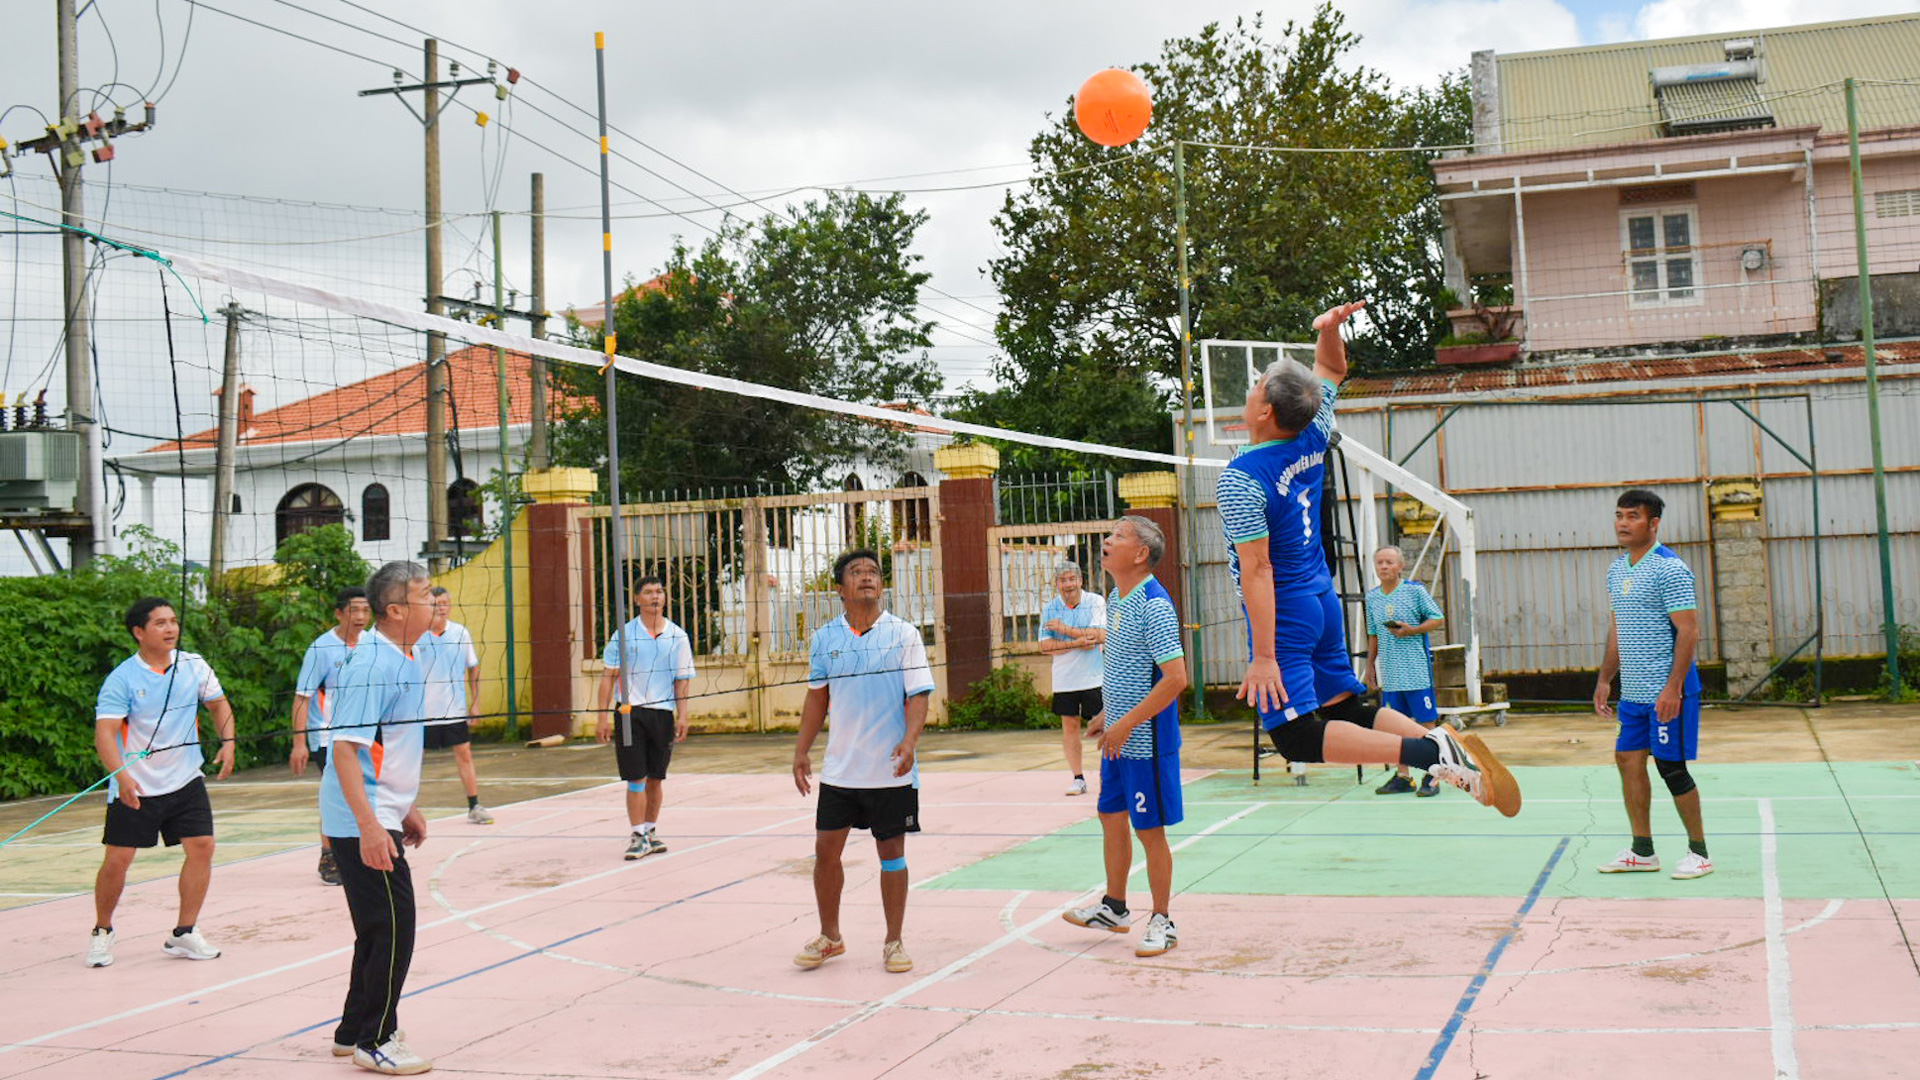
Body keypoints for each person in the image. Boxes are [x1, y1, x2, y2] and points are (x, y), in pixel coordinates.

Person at [1215, 300, 1519, 816]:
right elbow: (1332, 368)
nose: (1248, 392)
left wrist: (1263, 656)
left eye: (1254, 388)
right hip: (1322, 598)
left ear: (1266, 411)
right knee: (1347, 708)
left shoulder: (1243, 478)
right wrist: (1330, 330)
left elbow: (1258, 568)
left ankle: (1428, 751)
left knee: (1294, 737)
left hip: (1285, 609)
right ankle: (1445, 751)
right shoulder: (1313, 428)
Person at [791, 549, 934, 975]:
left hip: (890, 770)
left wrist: (909, 741)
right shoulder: (825, 638)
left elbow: (919, 695)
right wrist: (801, 750)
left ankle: (894, 941)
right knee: (825, 853)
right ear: (841, 588)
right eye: (857, 572)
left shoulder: (904, 634)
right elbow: (818, 698)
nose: (867, 578)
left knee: (891, 853)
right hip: (841, 770)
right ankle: (830, 937)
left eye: (873, 572)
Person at [321, 561, 435, 1075]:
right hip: (358, 819)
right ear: (396, 609)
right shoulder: (372, 665)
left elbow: (382, 744)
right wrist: (370, 825)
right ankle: (378, 1038)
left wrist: (402, 805)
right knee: (394, 927)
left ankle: (352, 1032)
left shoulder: (403, 654)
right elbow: (344, 750)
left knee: (376, 928)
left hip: (379, 810)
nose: (435, 602)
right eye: (426, 595)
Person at [1062, 517, 1188, 958]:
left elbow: (1175, 679)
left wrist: (1127, 722)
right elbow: (1126, 672)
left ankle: (1162, 920)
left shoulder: (1154, 605)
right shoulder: (1118, 597)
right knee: (1110, 817)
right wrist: (1104, 715)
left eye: (1117, 536)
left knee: (1149, 830)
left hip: (1146, 740)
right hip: (1118, 734)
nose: (1106, 540)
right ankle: (1114, 907)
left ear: (1139, 554)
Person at [86, 597, 236, 969]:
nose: (171, 629)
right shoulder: (122, 678)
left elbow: (219, 704)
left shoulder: (193, 665)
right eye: (160, 623)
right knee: (118, 861)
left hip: (185, 778)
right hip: (136, 783)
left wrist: (228, 742)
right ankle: (102, 931)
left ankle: (184, 932)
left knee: (202, 846)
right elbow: (104, 733)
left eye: (173, 622)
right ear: (139, 632)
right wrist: (121, 776)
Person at [1593, 489, 1712, 880]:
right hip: (1634, 693)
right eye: (1619, 516)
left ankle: (1699, 852)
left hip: (1668, 691)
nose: (1623, 524)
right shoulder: (1617, 569)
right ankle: (1642, 850)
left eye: (1632, 516)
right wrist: (1605, 678)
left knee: (1671, 768)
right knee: (1627, 760)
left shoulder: (1670, 569)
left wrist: (1672, 688)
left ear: (1653, 523)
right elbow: (1618, 629)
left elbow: (1689, 631)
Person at [596, 575, 695, 860]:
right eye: (649, 592)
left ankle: (651, 831)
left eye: (660, 591)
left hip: (663, 713)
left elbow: (682, 681)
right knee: (635, 778)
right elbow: (608, 678)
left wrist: (683, 715)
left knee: (655, 779)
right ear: (638, 599)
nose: (656, 596)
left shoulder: (677, 636)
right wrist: (602, 717)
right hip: (629, 713)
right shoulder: (624, 635)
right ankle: (637, 835)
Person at [291, 586, 371, 885]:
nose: (361, 616)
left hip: (365, 733)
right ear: (339, 613)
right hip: (329, 737)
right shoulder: (321, 648)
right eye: (354, 610)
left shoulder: (373, 644)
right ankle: (329, 854)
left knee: (369, 792)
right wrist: (299, 742)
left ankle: (364, 849)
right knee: (336, 796)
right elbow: (302, 697)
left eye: (366, 610)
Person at [1363, 547, 1446, 797]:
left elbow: (1437, 618)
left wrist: (1412, 630)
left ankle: (1433, 774)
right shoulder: (1373, 597)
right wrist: (1370, 666)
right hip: (1390, 674)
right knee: (1395, 727)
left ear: (1400, 566)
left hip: (1416, 671)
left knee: (1426, 725)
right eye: (1380, 562)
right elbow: (1373, 634)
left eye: (1389, 562)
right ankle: (1403, 776)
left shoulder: (1415, 591)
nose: (1384, 566)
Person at [418, 586, 491, 825]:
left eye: (444, 603)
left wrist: (475, 704)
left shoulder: (460, 633)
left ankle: (474, 805)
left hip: (454, 710)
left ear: (449, 606)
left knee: (464, 754)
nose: (440, 608)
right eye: (434, 603)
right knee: (412, 760)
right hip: (421, 714)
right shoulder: (415, 635)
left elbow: (474, 669)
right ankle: (405, 808)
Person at [1038, 561, 1107, 796]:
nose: (1067, 584)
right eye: (1062, 580)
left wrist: (1065, 630)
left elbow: (1100, 635)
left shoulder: (1095, 601)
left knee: (1105, 725)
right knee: (1070, 726)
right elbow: (1046, 647)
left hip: (1094, 678)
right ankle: (1078, 778)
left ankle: (1109, 775)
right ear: (1056, 585)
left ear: (1080, 581)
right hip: (1065, 679)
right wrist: (1077, 642)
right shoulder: (1050, 608)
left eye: (1071, 579)